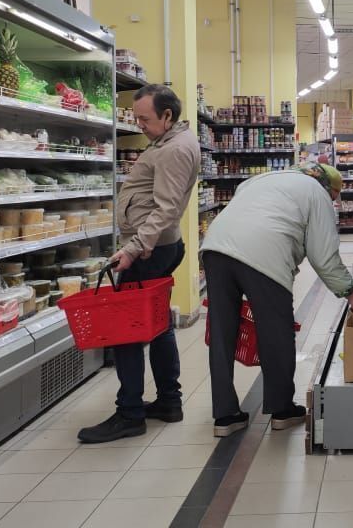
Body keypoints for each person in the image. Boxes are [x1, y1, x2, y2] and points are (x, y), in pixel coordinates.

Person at [200, 163, 353, 437]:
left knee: (221, 333)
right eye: (335, 197)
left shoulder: (264, 178)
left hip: (214, 247)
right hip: (263, 256)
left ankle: (225, 416)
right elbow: (324, 256)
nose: (334, 203)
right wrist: (351, 293)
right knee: (276, 331)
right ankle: (281, 410)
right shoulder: (317, 194)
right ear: (329, 187)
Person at [77, 84, 200, 444]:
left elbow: (166, 208)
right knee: (159, 326)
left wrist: (133, 248)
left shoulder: (174, 149)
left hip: (150, 250)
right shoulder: (169, 141)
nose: (139, 125)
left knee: (126, 331)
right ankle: (168, 402)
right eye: (136, 118)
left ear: (167, 116)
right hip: (158, 247)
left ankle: (129, 413)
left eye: (144, 119)